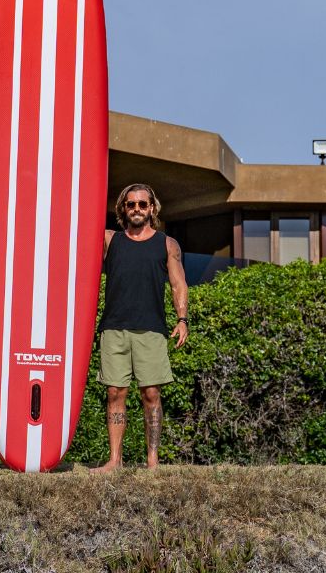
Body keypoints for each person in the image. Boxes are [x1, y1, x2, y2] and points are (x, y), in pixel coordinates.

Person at [91, 183, 188, 472]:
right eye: (131, 204)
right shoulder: (109, 240)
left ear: (152, 208)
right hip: (114, 328)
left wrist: (182, 319)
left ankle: (153, 461)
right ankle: (114, 460)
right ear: (123, 208)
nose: (136, 209)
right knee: (115, 393)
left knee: (151, 394)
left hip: (151, 329)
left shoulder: (167, 244)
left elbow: (178, 285)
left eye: (142, 204)